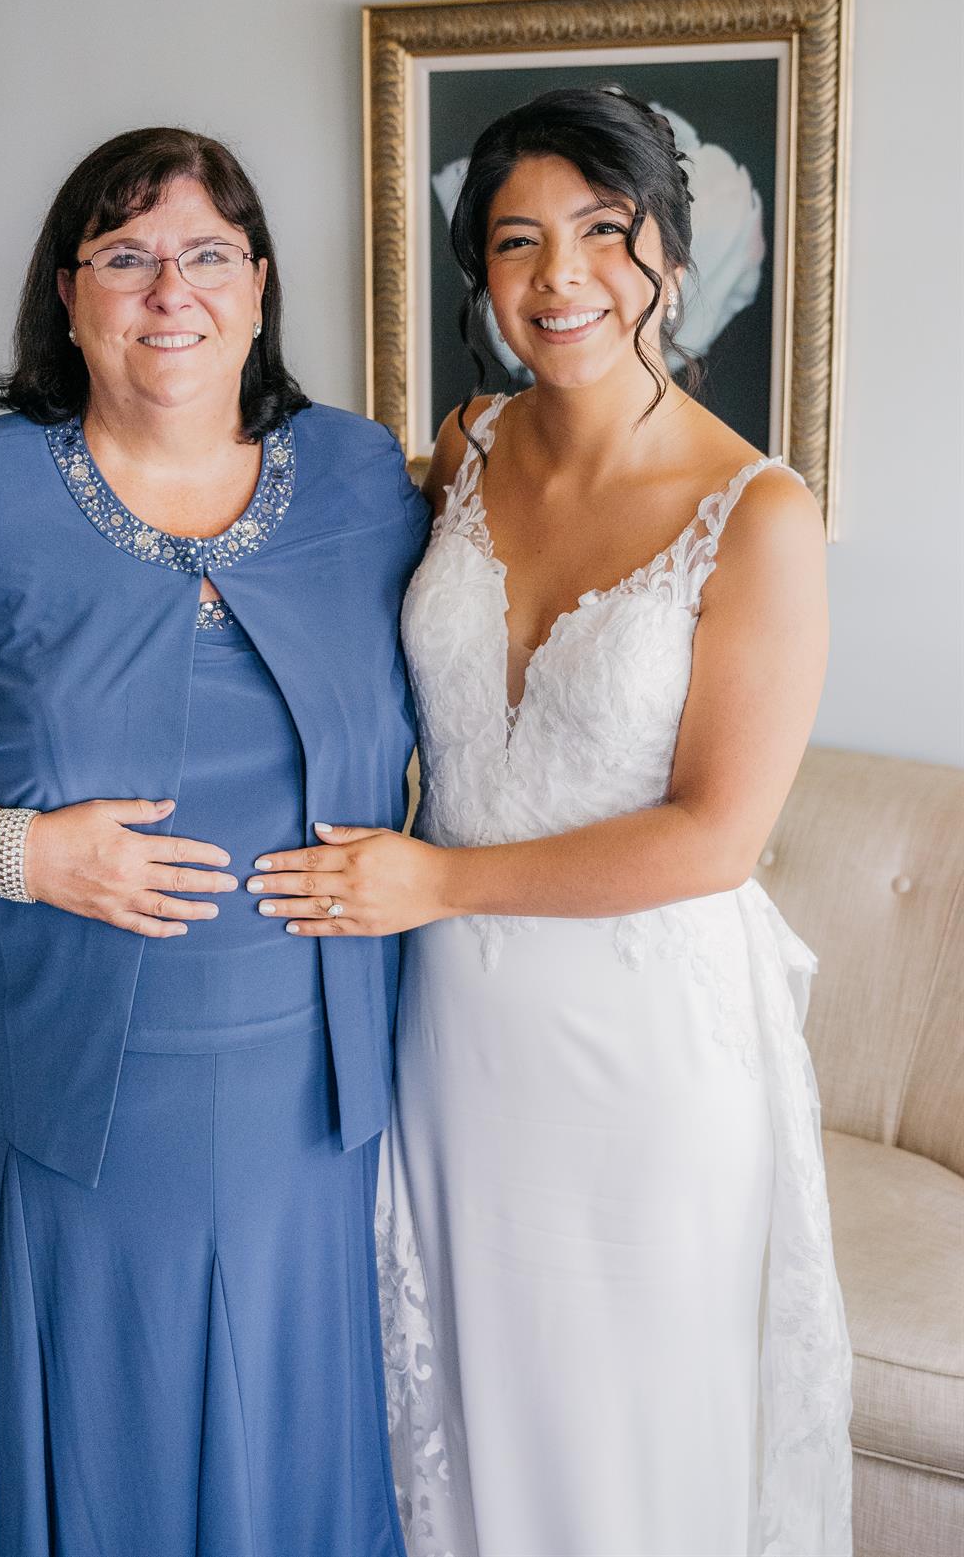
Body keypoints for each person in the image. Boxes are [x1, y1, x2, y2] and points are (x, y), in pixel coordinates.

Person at [0, 126, 428, 1556]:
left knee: (279, 1434)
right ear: (67, 296)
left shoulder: (361, 475)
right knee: (69, 1434)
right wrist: (30, 852)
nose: (168, 291)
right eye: (125, 257)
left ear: (259, 288)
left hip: (300, 1085)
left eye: (206, 255)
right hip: (26, 1072)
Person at [249, 89, 853, 1556]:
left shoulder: (760, 514)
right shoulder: (466, 447)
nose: (558, 275)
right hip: (454, 1027)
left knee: (625, 1436)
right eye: (516, 240)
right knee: (467, 1405)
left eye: (601, 230)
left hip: (642, 1046)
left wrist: (436, 881)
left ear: (668, 255)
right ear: (482, 272)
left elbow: (714, 837)